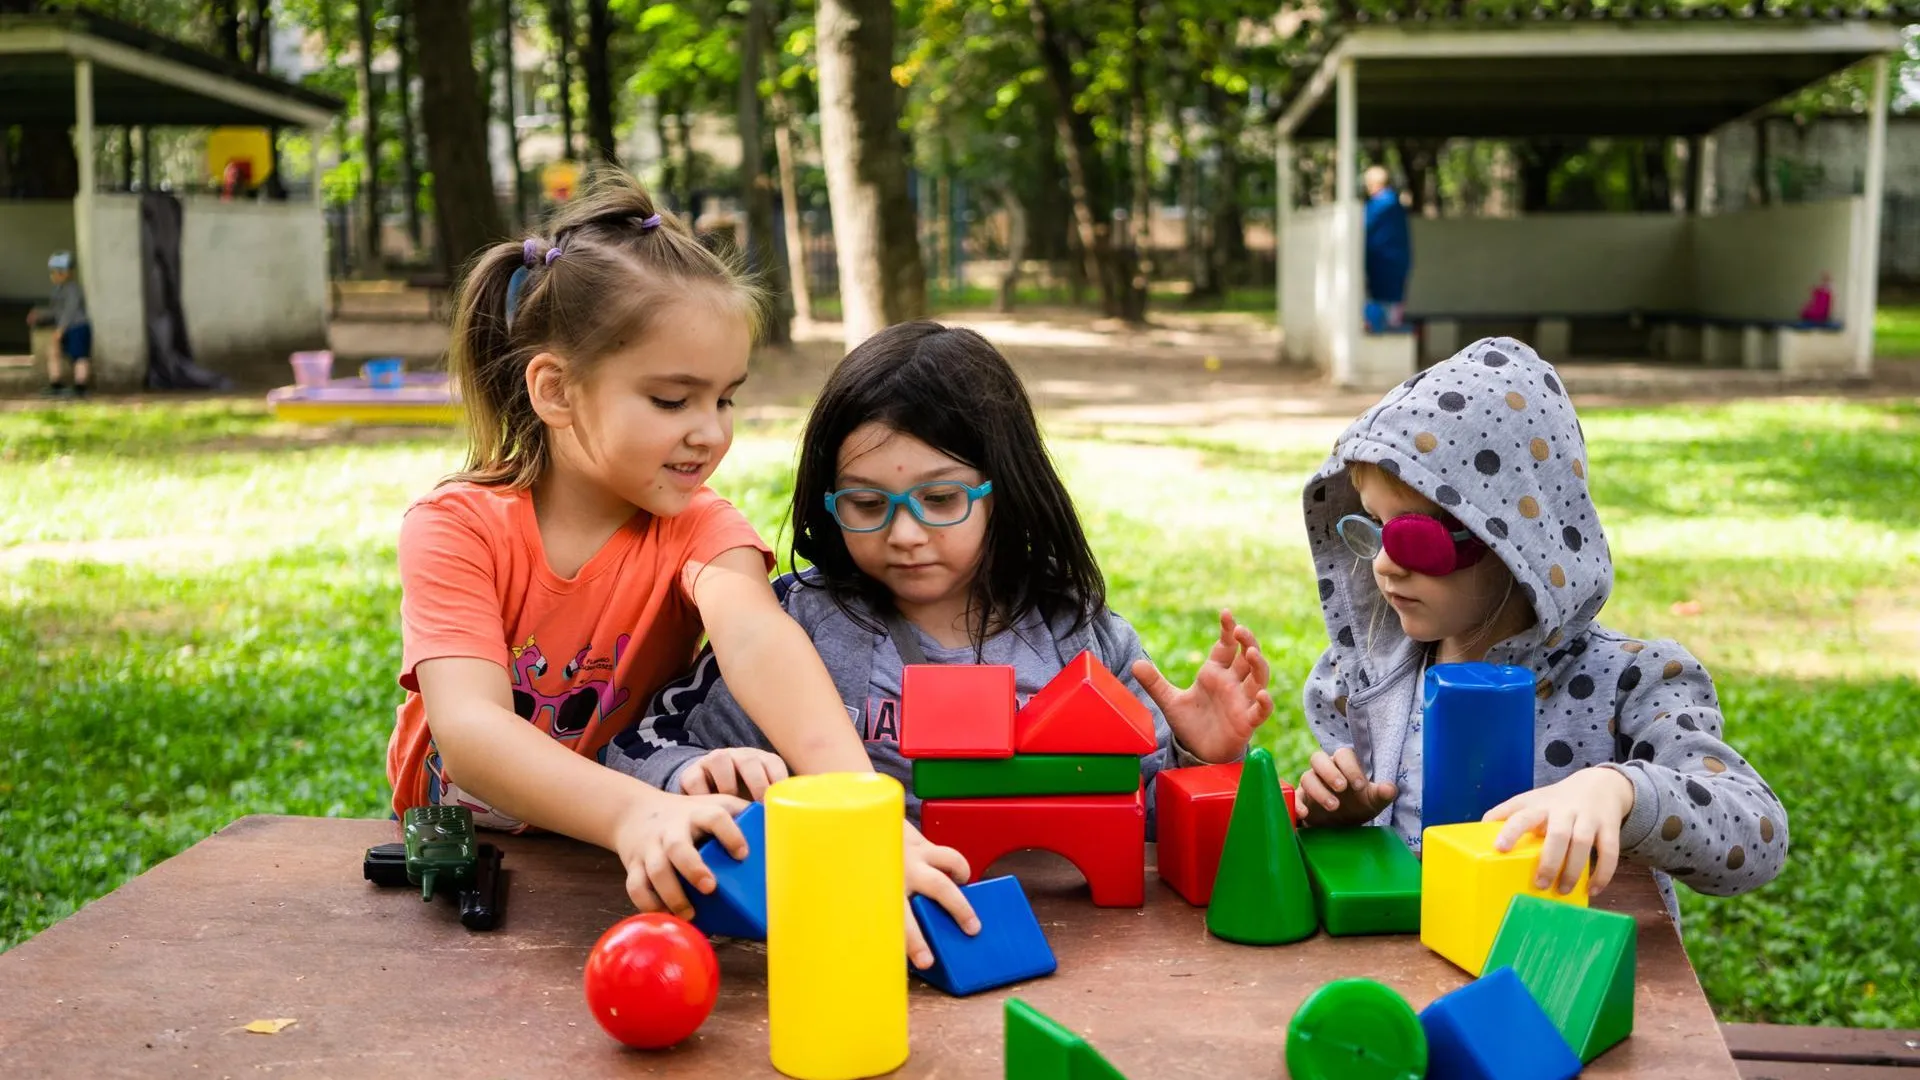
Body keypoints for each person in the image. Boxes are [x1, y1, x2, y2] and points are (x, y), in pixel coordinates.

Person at [387, 174, 977, 966]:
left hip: (626, 849)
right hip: (472, 845)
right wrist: (633, 814)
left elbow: (761, 644)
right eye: (673, 400)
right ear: (555, 389)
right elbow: (470, 734)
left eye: (726, 400)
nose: (710, 433)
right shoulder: (454, 527)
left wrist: (865, 815)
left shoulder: (700, 526)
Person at [603, 320, 1274, 824]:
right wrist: (695, 772)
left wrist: (1201, 758)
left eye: (941, 499)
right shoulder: (791, 627)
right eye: (866, 503)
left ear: (1003, 489)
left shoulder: (1080, 640)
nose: (904, 535)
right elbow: (635, 750)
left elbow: (1145, 817)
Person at [1295, 337, 1787, 914]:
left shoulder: (1628, 683)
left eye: (1414, 538)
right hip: (1410, 971)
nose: (1383, 562)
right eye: (1375, 529)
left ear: (1515, 539)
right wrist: (1346, 813)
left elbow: (1758, 835)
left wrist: (1621, 791)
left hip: (1564, 980)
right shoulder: (1368, 679)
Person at [27, 251, 92, 399]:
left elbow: (70, 310)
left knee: (79, 356)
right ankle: (56, 383)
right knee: (53, 352)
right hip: (64, 328)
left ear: (66, 273)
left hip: (76, 326)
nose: (54, 276)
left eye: (57, 272)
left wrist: (61, 329)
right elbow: (56, 311)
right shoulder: (57, 290)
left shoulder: (73, 289)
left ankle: (80, 386)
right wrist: (40, 315)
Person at [1363, 165, 1411, 332]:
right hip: (1395, 264)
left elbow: (1363, 226)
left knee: (1383, 310)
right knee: (1393, 306)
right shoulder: (1395, 204)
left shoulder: (1380, 205)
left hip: (1383, 264)